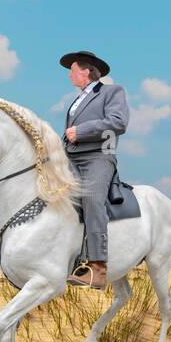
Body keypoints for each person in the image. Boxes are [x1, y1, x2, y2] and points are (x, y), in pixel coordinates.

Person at [59, 51, 128, 289]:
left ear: (86, 71)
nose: (69, 75)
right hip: (70, 156)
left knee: (91, 197)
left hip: (98, 156)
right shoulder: (76, 100)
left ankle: (97, 268)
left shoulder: (112, 91)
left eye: (73, 70)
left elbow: (118, 122)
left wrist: (82, 130)